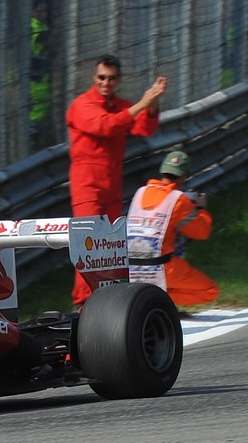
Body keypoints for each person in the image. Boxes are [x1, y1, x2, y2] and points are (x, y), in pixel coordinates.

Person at [66, 54, 167, 306]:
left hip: (111, 183)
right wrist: (142, 103)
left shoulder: (121, 105)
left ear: (118, 80)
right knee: (88, 244)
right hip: (86, 183)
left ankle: (109, 298)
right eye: (101, 77)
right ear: (94, 77)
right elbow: (106, 126)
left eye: (111, 79)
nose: (106, 83)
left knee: (111, 244)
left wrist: (152, 103)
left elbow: (145, 128)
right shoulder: (82, 105)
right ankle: (83, 302)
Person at [126, 150, 218, 307]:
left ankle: (150, 298)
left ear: (163, 171)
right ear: (185, 176)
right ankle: (157, 300)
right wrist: (200, 209)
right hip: (162, 267)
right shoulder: (179, 200)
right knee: (210, 291)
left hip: (130, 268)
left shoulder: (140, 192)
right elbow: (202, 232)